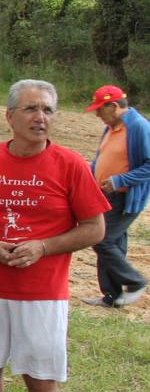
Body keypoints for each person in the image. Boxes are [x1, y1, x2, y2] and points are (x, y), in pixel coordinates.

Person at [0, 80, 109, 392]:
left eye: (48, 110)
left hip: (43, 293)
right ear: (9, 116)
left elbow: (95, 228)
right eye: (31, 108)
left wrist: (43, 247)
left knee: (40, 378)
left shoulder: (70, 164)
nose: (41, 117)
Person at [83, 84, 148, 307]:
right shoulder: (111, 127)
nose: (98, 114)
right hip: (106, 195)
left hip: (126, 197)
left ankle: (136, 282)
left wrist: (119, 180)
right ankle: (112, 296)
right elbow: (101, 157)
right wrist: (90, 174)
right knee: (114, 243)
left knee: (101, 238)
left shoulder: (139, 127)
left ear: (113, 106)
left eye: (100, 109)